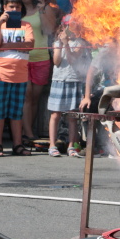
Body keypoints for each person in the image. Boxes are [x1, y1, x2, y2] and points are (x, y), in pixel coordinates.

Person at [0, 0, 34, 157]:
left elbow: (29, 44)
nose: (14, 10)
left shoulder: (26, 25)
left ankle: (17, 145)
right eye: (11, 7)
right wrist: (0, 22)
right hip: (1, 73)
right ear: (4, 7)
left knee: (16, 112)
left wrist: (5, 45)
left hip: (20, 74)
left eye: (17, 7)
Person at [15, 0, 58, 144]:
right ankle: (27, 133)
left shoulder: (45, 7)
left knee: (35, 98)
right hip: (23, 59)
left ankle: (29, 130)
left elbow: (49, 29)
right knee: (26, 96)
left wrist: (41, 11)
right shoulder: (17, 12)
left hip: (41, 59)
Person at [47, 20, 91, 157]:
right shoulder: (56, 44)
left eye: (73, 26)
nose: (70, 29)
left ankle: (71, 146)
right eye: (67, 26)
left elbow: (73, 60)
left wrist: (66, 44)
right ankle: (52, 145)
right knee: (55, 114)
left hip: (74, 80)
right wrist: (60, 44)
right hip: (59, 80)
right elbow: (56, 62)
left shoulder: (80, 44)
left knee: (72, 116)